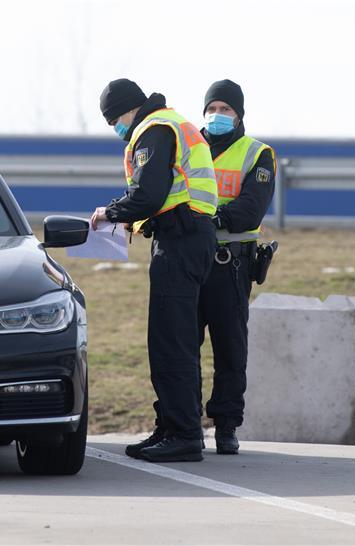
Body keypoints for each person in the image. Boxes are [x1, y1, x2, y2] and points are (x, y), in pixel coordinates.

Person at [90, 78, 218, 462]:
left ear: (126, 110)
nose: (116, 128)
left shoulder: (153, 130)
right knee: (174, 339)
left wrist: (110, 212)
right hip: (185, 237)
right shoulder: (170, 124)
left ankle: (182, 434)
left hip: (181, 241)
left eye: (113, 120)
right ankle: (173, 426)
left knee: (171, 343)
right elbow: (168, 193)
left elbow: (149, 194)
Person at [198, 79, 276, 455]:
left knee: (230, 348)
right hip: (186, 260)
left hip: (230, 264)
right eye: (211, 109)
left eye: (224, 109)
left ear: (239, 114)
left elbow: (250, 211)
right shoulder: (184, 148)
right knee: (179, 348)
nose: (217, 116)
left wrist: (204, 217)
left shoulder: (257, 154)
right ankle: (180, 422)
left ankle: (226, 426)